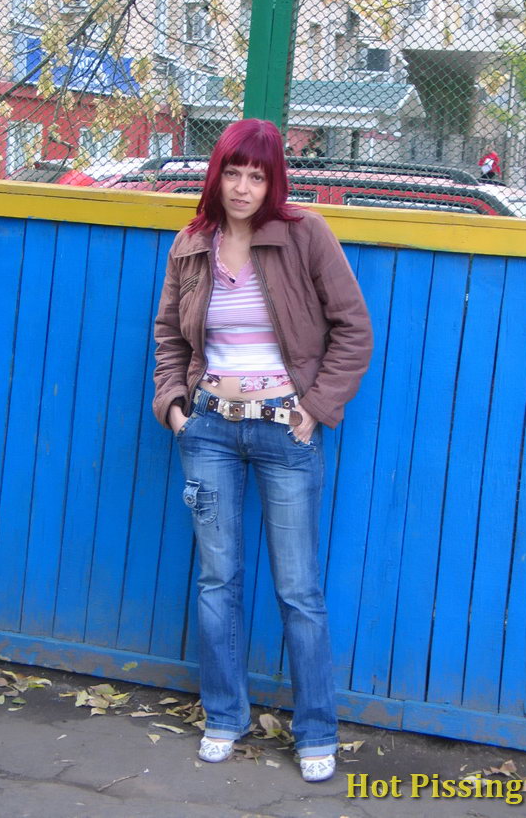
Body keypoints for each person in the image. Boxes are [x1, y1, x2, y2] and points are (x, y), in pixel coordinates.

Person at [152, 118, 373, 783]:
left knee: (298, 589)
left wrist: (316, 408)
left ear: (274, 180)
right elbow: (169, 335)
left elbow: (353, 329)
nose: (244, 187)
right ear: (216, 174)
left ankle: (316, 730)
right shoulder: (191, 244)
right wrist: (174, 406)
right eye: (234, 172)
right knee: (217, 579)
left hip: (285, 431)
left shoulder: (305, 235)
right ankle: (224, 716)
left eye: (258, 175)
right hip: (209, 431)